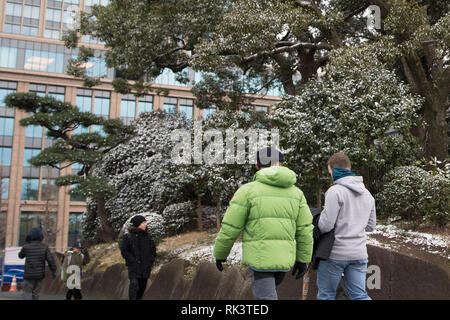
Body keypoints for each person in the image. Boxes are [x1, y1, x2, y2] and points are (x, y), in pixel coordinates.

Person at [213, 147, 314, 300]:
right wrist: (302, 259)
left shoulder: (247, 191)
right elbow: (305, 229)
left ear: (256, 165)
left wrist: (220, 254)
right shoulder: (297, 193)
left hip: (260, 260)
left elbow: (230, 227)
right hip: (284, 260)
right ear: (280, 164)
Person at [316, 152, 376, 300]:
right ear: (349, 168)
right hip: (359, 254)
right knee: (360, 295)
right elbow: (370, 226)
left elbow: (326, 225)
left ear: (331, 169)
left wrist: (316, 220)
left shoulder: (335, 191)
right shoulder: (367, 194)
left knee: (326, 295)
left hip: (335, 254)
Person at [120, 215, 157, 300]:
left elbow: (153, 250)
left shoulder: (148, 237)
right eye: (143, 223)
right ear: (138, 224)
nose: (145, 224)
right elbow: (124, 251)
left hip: (145, 266)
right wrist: (132, 260)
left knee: (142, 287)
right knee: (134, 285)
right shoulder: (128, 237)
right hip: (134, 267)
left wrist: (150, 260)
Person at [18, 227, 57, 300]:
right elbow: (50, 260)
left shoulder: (26, 247)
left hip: (28, 274)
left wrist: (26, 244)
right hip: (39, 274)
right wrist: (54, 271)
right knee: (36, 292)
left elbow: (20, 256)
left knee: (27, 292)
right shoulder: (44, 247)